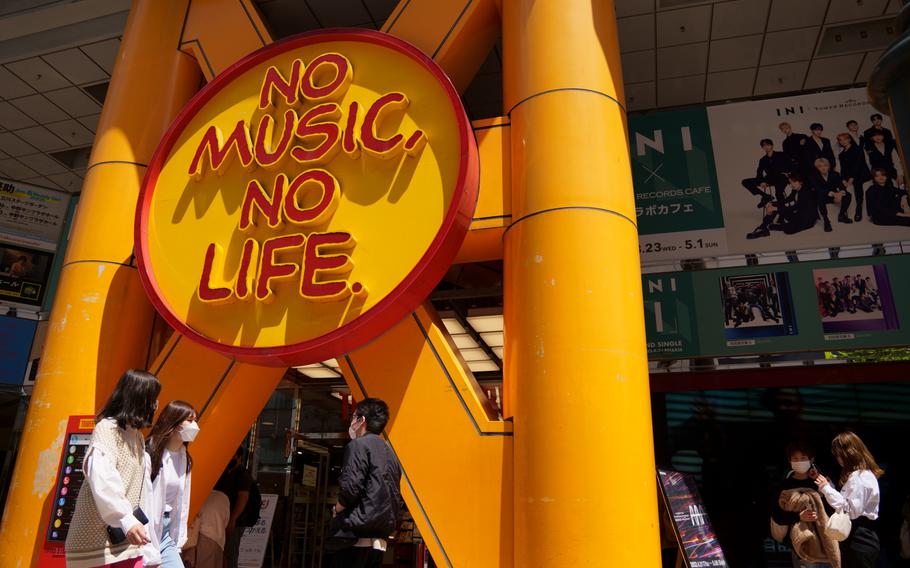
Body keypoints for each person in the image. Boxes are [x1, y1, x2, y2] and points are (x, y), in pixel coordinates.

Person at [65, 369, 161, 568]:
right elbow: (103, 478)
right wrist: (126, 519)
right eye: (154, 398)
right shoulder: (107, 429)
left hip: (128, 538)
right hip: (95, 541)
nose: (156, 404)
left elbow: (143, 491)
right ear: (140, 398)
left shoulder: (138, 438)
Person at [331, 398, 403, 568]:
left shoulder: (358, 446)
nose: (351, 421)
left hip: (356, 533)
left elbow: (351, 487)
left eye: (354, 416)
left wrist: (337, 508)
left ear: (361, 420)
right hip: (380, 535)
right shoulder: (389, 451)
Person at [814, 432, 883, 568]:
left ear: (848, 453)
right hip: (856, 537)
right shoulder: (859, 476)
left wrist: (827, 488)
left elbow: (850, 510)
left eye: (838, 454)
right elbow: (848, 502)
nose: (838, 459)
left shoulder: (860, 477)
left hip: (860, 539)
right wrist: (830, 486)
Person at [144, 401, 198, 568]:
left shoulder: (185, 459)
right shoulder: (150, 452)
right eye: (190, 420)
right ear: (174, 423)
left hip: (166, 532)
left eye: (196, 420)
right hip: (145, 529)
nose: (195, 426)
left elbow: (182, 503)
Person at [771, 442, 835, 568]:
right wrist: (798, 517)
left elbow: (835, 507)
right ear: (790, 461)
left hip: (825, 542)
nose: (799, 461)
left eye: (803, 458)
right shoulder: (784, 485)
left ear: (811, 460)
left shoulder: (820, 482)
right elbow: (777, 516)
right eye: (795, 459)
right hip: (801, 546)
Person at [215, 447, 254, 568]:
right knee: (223, 553)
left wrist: (233, 519)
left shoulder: (243, 474)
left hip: (234, 522)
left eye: (232, 455)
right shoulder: (227, 472)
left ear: (239, 457)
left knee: (230, 553)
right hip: (223, 520)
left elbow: (243, 497)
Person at [747, 173, 817, 239]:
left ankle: (780, 226)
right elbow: (789, 199)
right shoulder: (796, 190)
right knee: (776, 207)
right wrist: (774, 203)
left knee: (788, 230)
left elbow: (796, 207)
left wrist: (776, 208)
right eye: (790, 182)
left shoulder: (805, 192)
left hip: (807, 220)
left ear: (800, 182)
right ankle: (763, 227)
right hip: (799, 215)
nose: (792, 184)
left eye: (794, 182)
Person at [181, 490, 230, 568]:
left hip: (190, 538)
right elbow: (226, 522)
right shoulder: (223, 498)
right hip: (214, 540)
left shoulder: (191, 492)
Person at [742, 138, 795, 206]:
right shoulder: (763, 160)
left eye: (768, 145)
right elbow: (759, 172)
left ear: (772, 146)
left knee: (778, 193)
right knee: (745, 182)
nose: (766, 147)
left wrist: (789, 173)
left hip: (781, 177)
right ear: (762, 148)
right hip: (770, 178)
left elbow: (792, 164)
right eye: (764, 146)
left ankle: (782, 211)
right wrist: (761, 182)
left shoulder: (781, 154)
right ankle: (765, 196)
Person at [837, 133, 871, 222]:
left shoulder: (858, 149)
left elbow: (858, 165)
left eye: (844, 139)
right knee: (841, 186)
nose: (843, 141)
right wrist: (843, 179)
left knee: (857, 182)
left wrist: (852, 177)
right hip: (849, 176)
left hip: (862, 173)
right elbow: (843, 169)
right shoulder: (841, 154)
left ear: (849, 139)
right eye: (840, 140)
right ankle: (843, 213)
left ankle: (858, 209)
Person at [811, 158, 852, 231]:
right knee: (819, 197)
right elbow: (819, 189)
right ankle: (826, 221)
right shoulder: (814, 176)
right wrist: (834, 194)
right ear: (817, 168)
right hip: (824, 196)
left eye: (825, 165)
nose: (823, 168)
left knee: (848, 195)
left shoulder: (835, 174)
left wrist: (840, 193)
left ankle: (842, 215)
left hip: (834, 195)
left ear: (829, 166)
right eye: (820, 166)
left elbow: (841, 185)